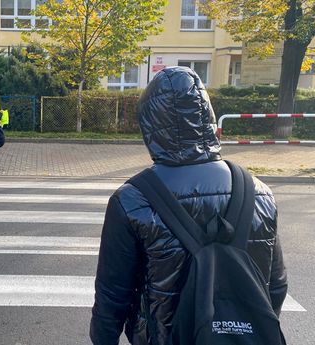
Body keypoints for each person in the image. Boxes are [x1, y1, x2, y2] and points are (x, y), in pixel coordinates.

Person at [89, 66, 288, 345]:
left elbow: (112, 297)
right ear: (207, 116)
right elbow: (276, 286)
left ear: (150, 125)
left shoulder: (133, 199)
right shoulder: (259, 192)